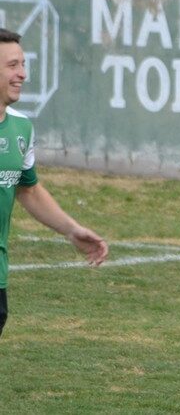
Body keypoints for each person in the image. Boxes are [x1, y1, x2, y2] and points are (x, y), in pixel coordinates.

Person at [0, 29, 108, 338]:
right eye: (12, 65)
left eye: (23, 64)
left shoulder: (20, 128)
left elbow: (28, 189)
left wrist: (71, 230)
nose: (22, 74)